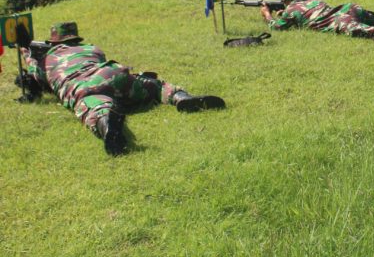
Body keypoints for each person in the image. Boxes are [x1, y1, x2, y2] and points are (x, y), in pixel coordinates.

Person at [19, 22, 225, 156]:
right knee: (154, 86)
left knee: (97, 108)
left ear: (53, 41)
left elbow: (37, 78)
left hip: (84, 87)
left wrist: (27, 53)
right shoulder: (91, 48)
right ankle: (181, 98)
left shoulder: (46, 60)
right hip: (112, 73)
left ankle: (107, 123)